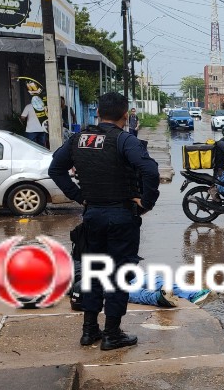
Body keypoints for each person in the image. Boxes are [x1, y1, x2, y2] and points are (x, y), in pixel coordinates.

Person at [48, 91, 160, 350]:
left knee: (92, 273)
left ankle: (89, 331)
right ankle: (111, 334)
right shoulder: (124, 140)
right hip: (121, 216)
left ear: (97, 112)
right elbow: (150, 170)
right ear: (125, 114)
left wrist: (79, 197)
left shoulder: (79, 139)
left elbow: (56, 168)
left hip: (92, 216)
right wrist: (147, 202)